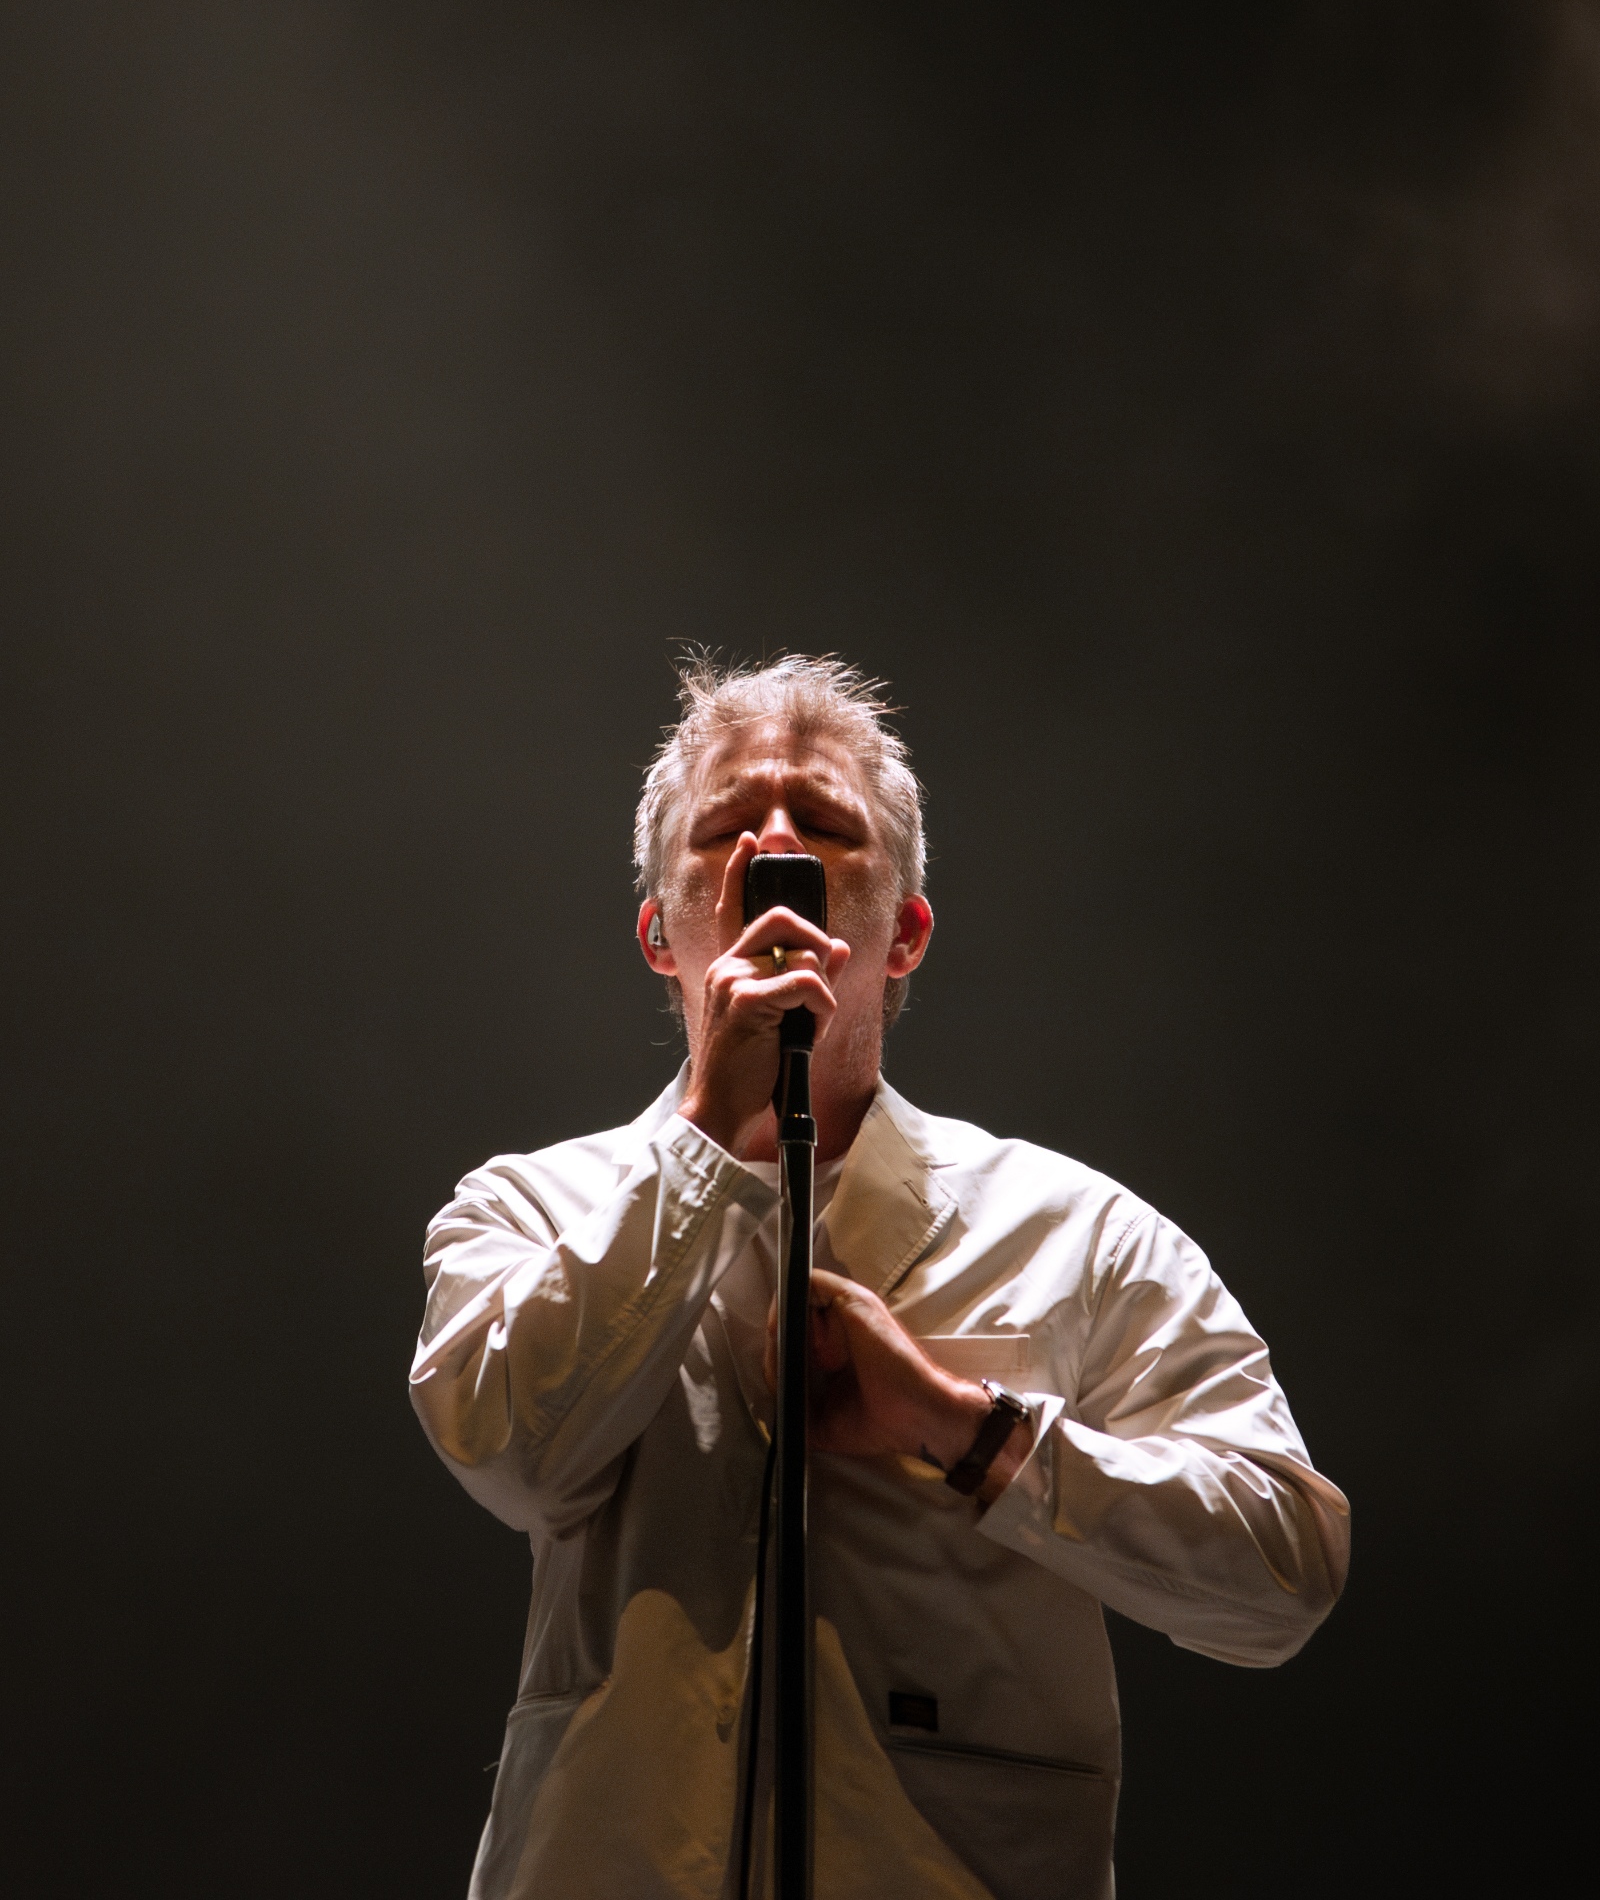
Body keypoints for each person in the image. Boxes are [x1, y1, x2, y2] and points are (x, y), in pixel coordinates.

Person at [409, 654, 1349, 1900]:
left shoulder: (1074, 1231)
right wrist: (705, 1131)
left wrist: (964, 1427)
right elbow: (511, 1453)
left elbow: (1283, 1571)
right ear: (659, 934)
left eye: (825, 825)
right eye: (726, 829)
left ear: (901, 933)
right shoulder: (528, 1206)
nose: (772, 845)